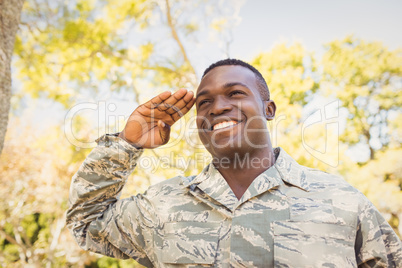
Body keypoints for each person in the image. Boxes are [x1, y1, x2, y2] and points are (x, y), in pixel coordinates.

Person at [66, 59, 402, 267]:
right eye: (204, 102)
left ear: (268, 109)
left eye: (236, 93)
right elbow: (86, 222)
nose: (217, 107)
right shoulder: (161, 206)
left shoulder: (342, 201)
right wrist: (127, 144)